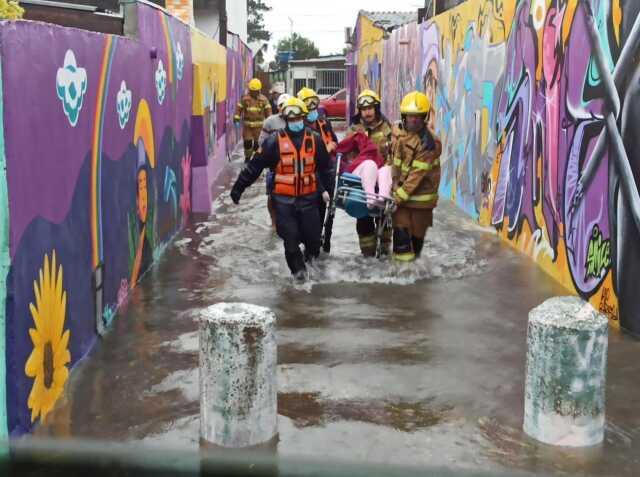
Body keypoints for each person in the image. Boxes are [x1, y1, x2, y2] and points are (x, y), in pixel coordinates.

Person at [230, 98, 333, 281]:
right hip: (285, 203)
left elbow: (326, 168)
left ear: (303, 117)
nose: (295, 122)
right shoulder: (273, 142)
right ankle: (300, 279)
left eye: (297, 118)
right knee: (291, 241)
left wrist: (331, 193)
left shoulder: (315, 140)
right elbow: (255, 166)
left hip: (309, 200)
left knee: (314, 241)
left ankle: (312, 269)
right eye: (290, 119)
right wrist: (238, 188)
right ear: (285, 119)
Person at [390, 91, 442, 262]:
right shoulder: (400, 134)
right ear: (404, 116)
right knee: (401, 242)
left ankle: (411, 278)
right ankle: (402, 280)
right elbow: (394, 164)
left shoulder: (429, 143)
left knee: (416, 245)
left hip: (421, 201)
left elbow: (415, 176)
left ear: (424, 116)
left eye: (418, 116)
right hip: (403, 199)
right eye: (410, 116)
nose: (414, 120)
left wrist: (396, 198)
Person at [348, 89, 394, 256]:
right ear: (360, 110)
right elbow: (348, 156)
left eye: (370, 108)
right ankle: (367, 258)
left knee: (385, 218)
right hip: (363, 181)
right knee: (364, 219)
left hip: (382, 180)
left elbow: (394, 154)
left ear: (376, 108)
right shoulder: (354, 129)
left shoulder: (388, 128)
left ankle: (384, 251)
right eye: (363, 109)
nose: (367, 112)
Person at [297, 87, 338, 227]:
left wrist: (332, 146)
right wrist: (325, 150)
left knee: (323, 212)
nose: (312, 108)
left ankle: (319, 238)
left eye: (314, 103)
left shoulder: (324, 123)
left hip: (326, 173)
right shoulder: (298, 129)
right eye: (308, 105)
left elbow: (335, 143)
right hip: (308, 177)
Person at [259, 93, 291, 228]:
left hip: (292, 165)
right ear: (278, 107)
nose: (284, 109)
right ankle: (273, 222)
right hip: (274, 166)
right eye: (282, 106)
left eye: (287, 106)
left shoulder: (297, 120)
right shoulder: (270, 122)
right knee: (271, 195)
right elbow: (262, 141)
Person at [234, 78, 272, 162]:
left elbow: (268, 111)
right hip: (248, 127)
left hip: (259, 127)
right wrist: (236, 117)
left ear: (259, 90)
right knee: (247, 143)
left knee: (257, 145)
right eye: (251, 90)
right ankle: (247, 158)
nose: (253, 92)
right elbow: (239, 108)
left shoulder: (263, 99)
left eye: (255, 91)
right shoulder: (245, 99)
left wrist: (270, 122)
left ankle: (256, 159)